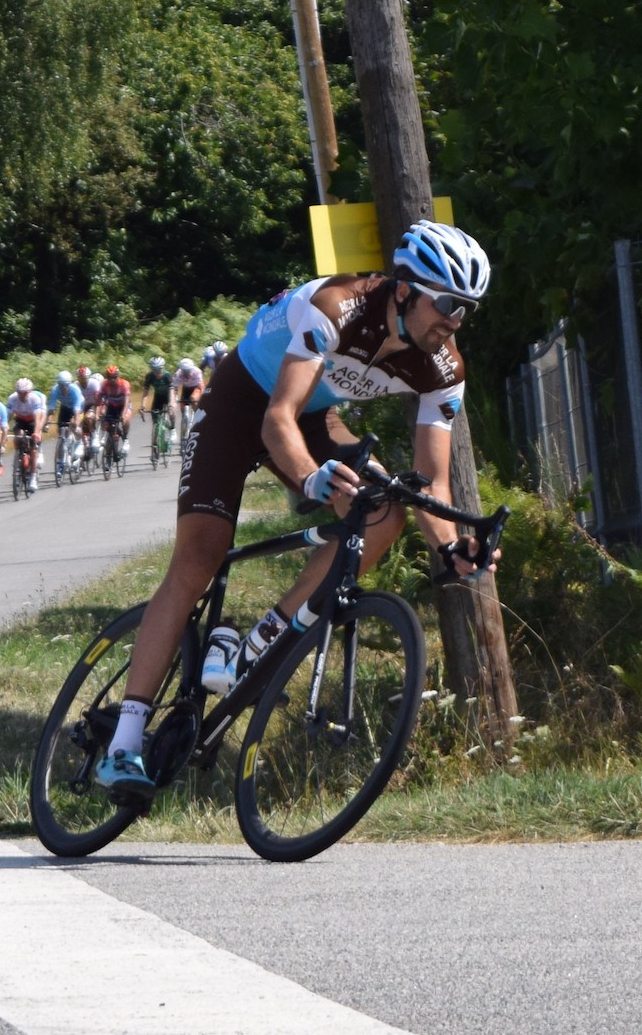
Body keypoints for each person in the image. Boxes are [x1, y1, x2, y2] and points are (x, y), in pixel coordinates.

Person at [95, 222, 504, 803]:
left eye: (467, 309)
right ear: (407, 289)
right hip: (244, 403)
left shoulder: (444, 368)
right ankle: (124, 745)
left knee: (385, 509)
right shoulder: (338, 306)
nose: (455, 320)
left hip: (316, 416)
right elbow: (275, 421)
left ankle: (257, 641)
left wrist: (451, 547)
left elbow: (431, 481)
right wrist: (311, 476)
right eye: (448, 304)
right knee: (200, 556)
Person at [3, 378, 46, 493]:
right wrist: (4, 432)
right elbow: (7, 417)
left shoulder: (35, 399)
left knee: (33, 449)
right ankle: (18, 455)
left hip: (32, 421)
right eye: (19, 393)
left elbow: (38, 419)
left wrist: (36, 433)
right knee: (19, 435)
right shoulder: (12, 398)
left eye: (24, 393)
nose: (22, 395)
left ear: (29, 391)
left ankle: (33, 478)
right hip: (21, 420)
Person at [46, 371, 84, 477]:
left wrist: (76, 423)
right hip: (65, 407)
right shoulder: (55, 390)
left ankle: (79, 442)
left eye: (65, 385)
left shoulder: (75, 390)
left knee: (73, 425)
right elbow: (51, 409)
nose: (63, 388)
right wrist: (47, 423)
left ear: (69, 384)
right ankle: (60, 463)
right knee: (62, 434)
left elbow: (77, 411)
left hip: (78, 407)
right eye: (61, 385)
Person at [97, 365, 133, 462]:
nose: (112, 380)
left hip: (123, 406)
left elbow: (126, 401)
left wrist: (122, 414)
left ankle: (125, 439)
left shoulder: (124, 384)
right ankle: (108, 452)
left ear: (118, 376)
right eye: (109, 377)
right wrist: (98, 414)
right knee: (106, 424)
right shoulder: (104, 384)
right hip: (112, 406)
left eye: (114, 377)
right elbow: (99, 400)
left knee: (125, 419)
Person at [170, 357, 206, 449]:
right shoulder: (178, 373)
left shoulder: (197, 371)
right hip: (186, 389)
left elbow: (201, 387)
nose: (186, 373)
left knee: (193, 399)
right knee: (183, 410)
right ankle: (184, 427)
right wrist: (174, 400)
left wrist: (202, 400)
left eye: (188, 371)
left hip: (196, 388)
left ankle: (197, 415)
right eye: (184, 371)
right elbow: (174, 389)